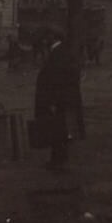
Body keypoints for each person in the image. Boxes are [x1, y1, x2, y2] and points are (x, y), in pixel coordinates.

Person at [34, 29, 84, 172]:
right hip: (63, 99)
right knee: (59, 131)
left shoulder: (58, 54)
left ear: (54, 37)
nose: (45, 40)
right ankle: (57, 159)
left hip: (59, 100)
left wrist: (52, 101)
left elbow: (57, 79)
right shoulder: (61, 52)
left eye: (47, 37)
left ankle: (59, 161)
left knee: (59, 131)